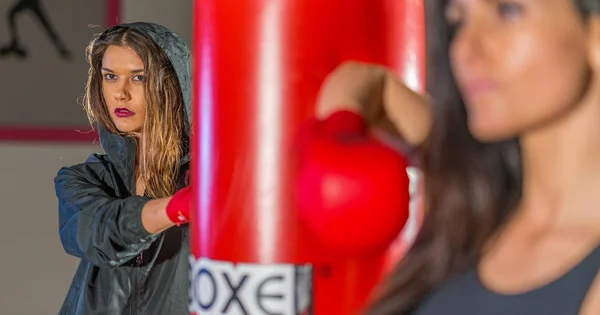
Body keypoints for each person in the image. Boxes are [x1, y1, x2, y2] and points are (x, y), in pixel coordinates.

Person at [316, 0, 600, 314]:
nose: (465, 47)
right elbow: (372, 87)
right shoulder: (477, 194)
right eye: (459, 20)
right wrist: (338, 127)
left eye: (507, 11)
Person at [54, 22, 192, 315]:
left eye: (139, 77)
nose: (121, 93)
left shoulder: (207, 178)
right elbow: (100, 234)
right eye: (110, 77)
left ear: (173, 83)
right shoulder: (83, 179)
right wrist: (175, 209)